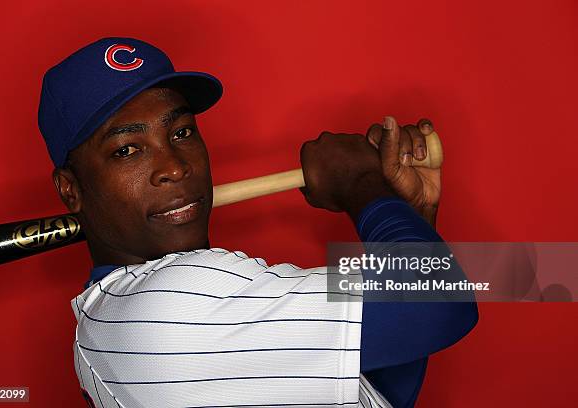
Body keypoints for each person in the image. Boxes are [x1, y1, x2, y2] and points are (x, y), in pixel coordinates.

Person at [38, 37, 478, 407]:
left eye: (182, 133)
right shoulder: (168, 307)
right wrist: (362, 186)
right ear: (70, 189)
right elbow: (437, 302)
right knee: (536, 276)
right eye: (127, 150)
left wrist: (409, 213)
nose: (173, 167)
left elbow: (374, 391)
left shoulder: (100, 328)